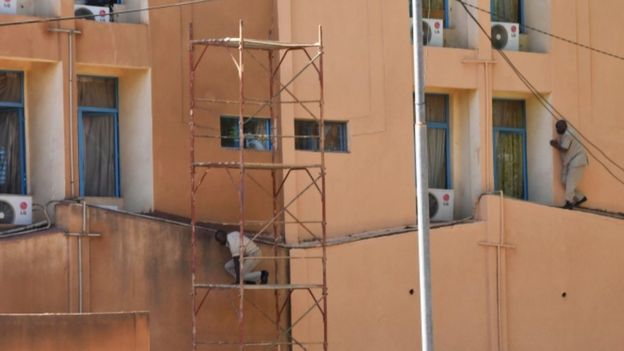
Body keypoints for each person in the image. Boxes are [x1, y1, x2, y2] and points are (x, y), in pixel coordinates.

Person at [550, 120, 588, 209]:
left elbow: (564, 149)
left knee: (570, 181)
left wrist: (555, 145)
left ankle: (569, 202)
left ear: (565, 126)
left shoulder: (568, 134)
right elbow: (558, 141)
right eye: (557, 127)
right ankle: (580, 197)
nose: (558, 129)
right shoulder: (562, 134)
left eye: (560, 127)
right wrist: (555, 142)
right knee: (564, 181)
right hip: (569, 161)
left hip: (577, 160)